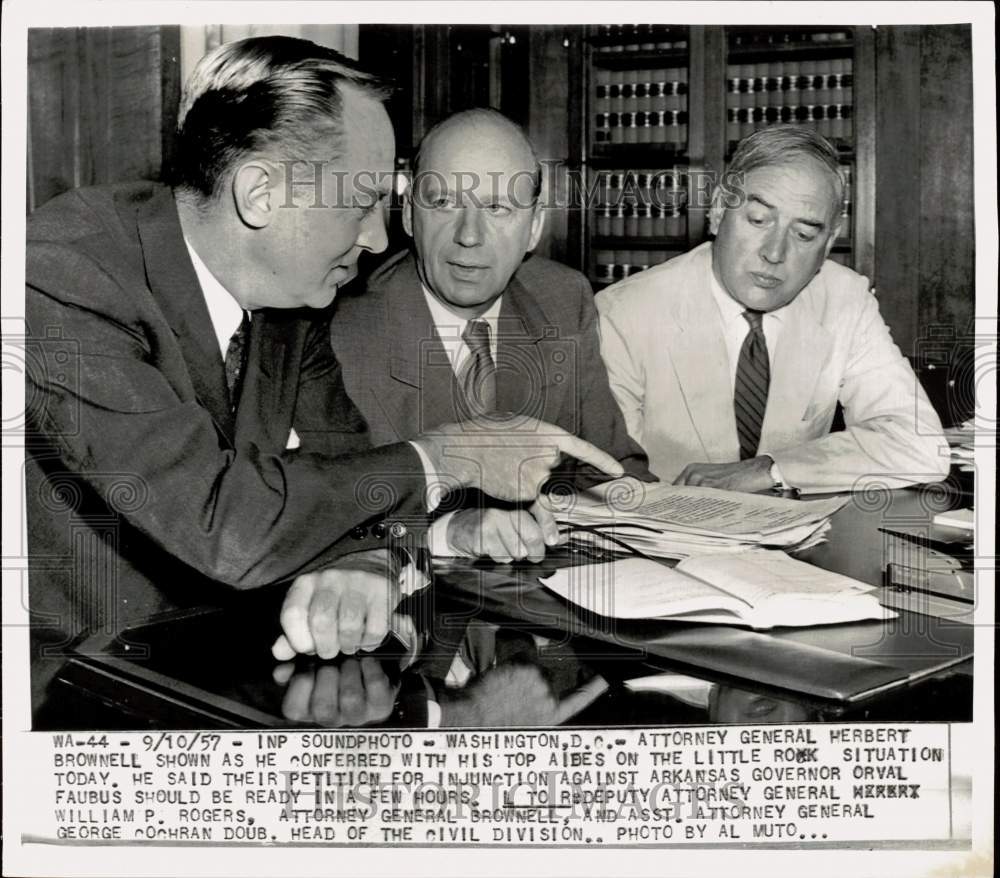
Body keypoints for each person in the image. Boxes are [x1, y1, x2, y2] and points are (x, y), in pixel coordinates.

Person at [24, 37, 622, 715]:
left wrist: (374, 557)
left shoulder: (293, 300)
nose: (376, 239)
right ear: (259, 193)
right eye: (362, 202)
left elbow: (354, 471)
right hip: (57, 702)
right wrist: (450, 456)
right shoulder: (63, 275)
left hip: (218, 677)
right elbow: (224, 522)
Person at [330, 108, 652, 563]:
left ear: (534, 226)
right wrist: (448, 529)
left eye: (498, 207)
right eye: (443, 203)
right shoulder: (343, 323)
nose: (469, 236)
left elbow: (611, 473)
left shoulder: (562, 297)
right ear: (408, 215)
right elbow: (316, 512)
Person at [596, 126, 948, 493]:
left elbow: (919, 443)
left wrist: (772, 469)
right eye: (758, 220)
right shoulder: (625, 313)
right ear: (718, 211)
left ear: (829, 241)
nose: (774, 253)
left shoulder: (845, 298)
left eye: (804, 235)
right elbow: (611, 478)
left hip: (795, 541)